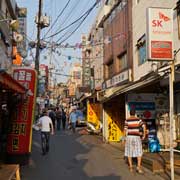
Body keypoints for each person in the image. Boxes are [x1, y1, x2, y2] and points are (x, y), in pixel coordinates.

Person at [124, 109, 146, 174]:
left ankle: (130, 167)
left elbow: (125, 130)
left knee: (129, 151)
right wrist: (144, 135)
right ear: (135, 113)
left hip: (129, 137)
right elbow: (144, 126)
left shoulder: (127, 120)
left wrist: (124, 139)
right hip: (137, 137)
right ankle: (138, 167)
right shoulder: (138, 120)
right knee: (139, 151)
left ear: (130, 113)